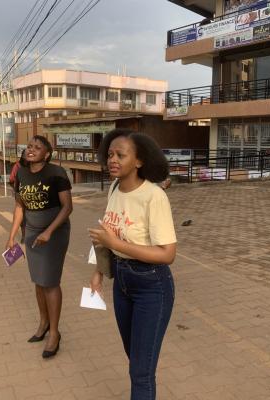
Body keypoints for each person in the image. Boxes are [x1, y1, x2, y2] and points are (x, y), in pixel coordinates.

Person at [89, 128, 177, 400]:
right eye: (110, 154)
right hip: (122, 282)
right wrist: (98, 272)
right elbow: (107, 234)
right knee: (135, 359)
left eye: (120, 155)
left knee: (141, 372)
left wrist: (117, 246)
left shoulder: (153, 196)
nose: (112, 159)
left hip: (152, 286)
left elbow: (167, 254)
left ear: (139, 161)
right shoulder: (114, 188)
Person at [6, 136, 72, 359]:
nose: (31, 150)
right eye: (29, 146)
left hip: (54, 233)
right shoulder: (21, 173)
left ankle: (54, 333)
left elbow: (67, 208)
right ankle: (43, 323)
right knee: (38, 281)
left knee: (50, 282)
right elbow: (19, 207)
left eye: (37, 147)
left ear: (47, 154)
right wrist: (12, 236)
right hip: (32, 233)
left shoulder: (56, 173)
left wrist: (49, 232)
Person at [9, 149, 28, 242]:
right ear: (22, 156)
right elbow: (11, 180)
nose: (28, 156)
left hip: (32, 194)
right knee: (22, 216)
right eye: (26, 155)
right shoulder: (17, 166)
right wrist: (17, 191)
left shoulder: (33, 165)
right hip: (20, 194)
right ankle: (24, 235)